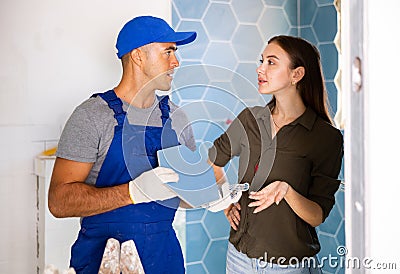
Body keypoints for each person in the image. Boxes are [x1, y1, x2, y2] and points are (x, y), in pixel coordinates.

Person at [48, 15, 197, 273]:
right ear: (138, 56)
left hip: (164, 259)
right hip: (103, 259)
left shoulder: (177, 118)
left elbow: (185, 194)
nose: (176, 62)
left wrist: (205, 191)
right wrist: (132, 192)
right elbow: (59, 202)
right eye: (168, 52)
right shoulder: (92, 116)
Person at [208, 35, 344, 273]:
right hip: (239, 259)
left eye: (271, 62)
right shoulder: (249, 120)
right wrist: (227, 203)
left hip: (288, 266)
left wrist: (287, 191)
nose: (260, 69)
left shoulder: (325, 138)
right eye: (262, 61)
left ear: (296, 75)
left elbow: (317, 215)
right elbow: (213, 159)